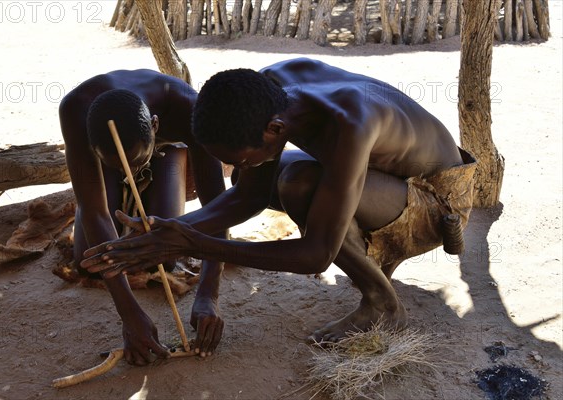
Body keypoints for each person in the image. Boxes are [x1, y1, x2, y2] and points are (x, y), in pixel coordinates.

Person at [81, 58, 476, 343]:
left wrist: (194, 243)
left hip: (438, 202)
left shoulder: (351, 122)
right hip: (390, 182)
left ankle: (384, 306)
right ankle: (372, 268)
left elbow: (315, 256)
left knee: (300, 184)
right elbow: (248, 194)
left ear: (274, 129)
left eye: (246, 156)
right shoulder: (271, 89)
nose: (242, 167)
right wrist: (161, 233)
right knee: (276, 179)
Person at [59, 69, 226, 365]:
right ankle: (123, 160)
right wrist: (130, 314)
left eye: (134, 164)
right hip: (121, 149)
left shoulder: (189, 109)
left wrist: (207, 294)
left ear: (154, 125)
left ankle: (140, 159)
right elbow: (96, 213)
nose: (129, 174)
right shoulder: (75, 110)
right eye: (121, 167)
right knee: (91, 259)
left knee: (163, 255)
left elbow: (218, 207)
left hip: (166, 147)